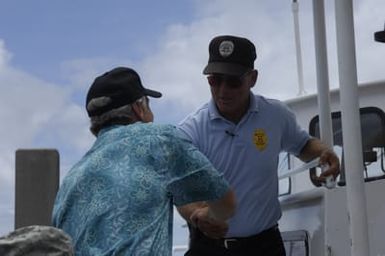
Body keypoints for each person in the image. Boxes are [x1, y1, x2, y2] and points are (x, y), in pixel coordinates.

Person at [177, 35, 340, 256]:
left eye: (233, 81)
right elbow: (180, 190)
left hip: (265, 246)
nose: (223, 90)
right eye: (215, 80)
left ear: (252, 78)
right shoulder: (190, 130)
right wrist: (198, 214)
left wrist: (324, 153)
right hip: (209, 248)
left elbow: (303, 145)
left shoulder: (276, 116)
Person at [52, 66, 236, 256]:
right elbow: (225, 202)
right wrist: (205, 217)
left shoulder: (69, 182)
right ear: (139, 108)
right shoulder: (159, 139)